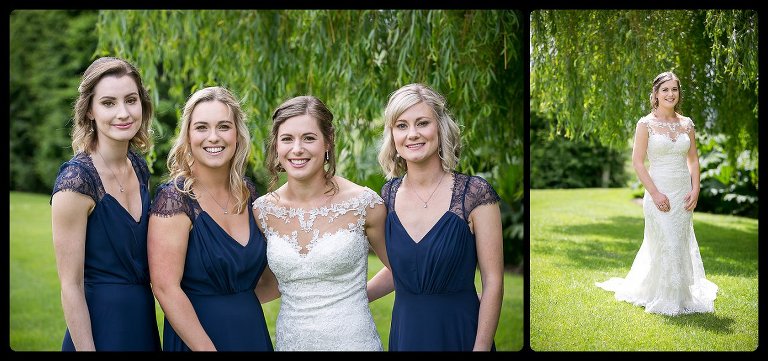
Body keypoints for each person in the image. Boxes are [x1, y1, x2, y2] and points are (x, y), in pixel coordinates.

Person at [367, 83, 504, 351]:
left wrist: (481, 348)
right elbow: (403, 270)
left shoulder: (474, 194)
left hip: (460, 332)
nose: (413, 134)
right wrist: (350, 299)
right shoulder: (387, 196)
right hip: (406, 333)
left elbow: (494, 282)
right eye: (401, 125)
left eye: (422, 123)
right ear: (392, 136)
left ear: (440, 128)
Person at [252, 95, 390, 351]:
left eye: (308, 138)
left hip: (354, 342)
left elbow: (401, 270)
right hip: (291, 343)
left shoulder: (364, 204)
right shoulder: (263, 211)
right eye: (287, 139)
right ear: (276, 146)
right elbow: (270, 284)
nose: (297, 149)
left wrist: (358, 298)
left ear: (328, 141)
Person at [148, 86, 272, 351]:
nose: (213, 137)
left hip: (251, 332)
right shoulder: (175, 199)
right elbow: (165, 288)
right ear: (188, 135)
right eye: (202, 127)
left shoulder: (247, 194)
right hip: (198, 341)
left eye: (224, 127)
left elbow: (271, 278)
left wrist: (239, 307)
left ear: (237, 134)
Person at [50, 56, 161, 351]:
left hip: (141, 321)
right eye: (109, 103)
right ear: (89, 110)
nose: (123, 113)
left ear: (142, 105)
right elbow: (70, 286)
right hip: (99, 328)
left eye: (131, 100)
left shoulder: (139, 167)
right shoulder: (76, 181)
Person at [596, 71, 718, 315]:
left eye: (674, 89)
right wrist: (654, 194)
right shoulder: (645, 124)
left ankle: (680, 295)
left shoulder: (687, 124)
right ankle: (664, 297)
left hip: (683, 193)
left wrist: (696, 188)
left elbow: (693, 160)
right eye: (665, 90)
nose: (670, 94)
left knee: (679, 243)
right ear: (655, 94)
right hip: (658, 193)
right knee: (665, 243)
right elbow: (638, 163)